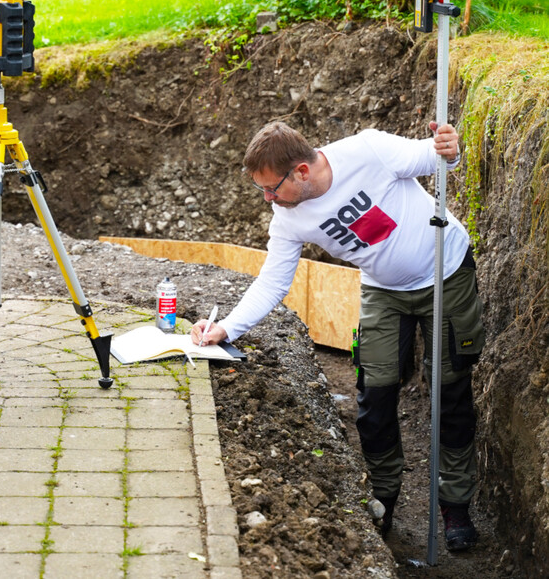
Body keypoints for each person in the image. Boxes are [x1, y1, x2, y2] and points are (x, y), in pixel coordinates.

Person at [191, 120, 484, 551]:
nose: (269, 199)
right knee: (375, 391)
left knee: (450, 389)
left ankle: (455, 505)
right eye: (262, 191)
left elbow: (438, 157)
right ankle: (384, 496)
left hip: (446, 272)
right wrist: (226, 327)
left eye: (273, 189)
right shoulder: (288, 216)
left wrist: (449, 146)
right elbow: (274, 280)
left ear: (302, 172)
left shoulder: (369, 151)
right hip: (383, 291)